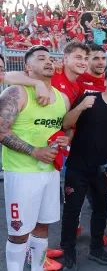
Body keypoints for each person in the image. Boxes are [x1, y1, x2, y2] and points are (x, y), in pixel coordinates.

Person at [0, 46, 70, 271]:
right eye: (41, 58)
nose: (49, 62)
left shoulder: (62, 98)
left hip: (50, 172)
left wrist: (65, 139)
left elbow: (66, 129)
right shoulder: (16, 92)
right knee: (19, 233)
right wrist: (33, 151)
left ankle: (38, 268)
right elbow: (1, 130)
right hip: (21, 173)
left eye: (51, 58)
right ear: (28, 67)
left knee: (42, 228)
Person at [60, 67, 107, 270]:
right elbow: (66, 123)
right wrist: (81, 107)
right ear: (106, 81)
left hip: (104, 170)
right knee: (72, 210)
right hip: (78, 167)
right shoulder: (88, 98)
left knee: (101, 210)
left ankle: (96, 248)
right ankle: (69, 250)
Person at [51, 41, 90, 106]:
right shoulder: (52, 72)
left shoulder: (76, 87)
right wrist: (37, 83)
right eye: (78, 57)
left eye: (86, 59)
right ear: (66, 57)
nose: (83, 63)